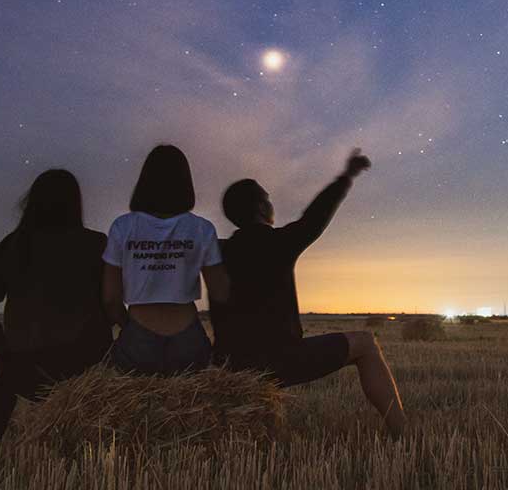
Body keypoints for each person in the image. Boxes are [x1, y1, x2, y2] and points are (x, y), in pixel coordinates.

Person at [211, 149, 407, 437]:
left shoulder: (217, 250)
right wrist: (347, 177)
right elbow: (316, 215)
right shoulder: (279, 243)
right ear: (262, 208)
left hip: (229, 363)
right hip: (280, 361)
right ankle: (403, 433)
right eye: (267, 198)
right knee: (365, 344)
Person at [0, 169, 111, 441]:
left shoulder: (14, 245)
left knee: (4, 371)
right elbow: (112, 300)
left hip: (27, 366)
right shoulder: (96, 244)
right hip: (86, 366)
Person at [102, 144, 229, 374]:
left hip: (138, 335)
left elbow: (111, 298)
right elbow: (220, 293)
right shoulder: (202, 228)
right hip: (188, 337)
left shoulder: (122, 227)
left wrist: (128, 327)